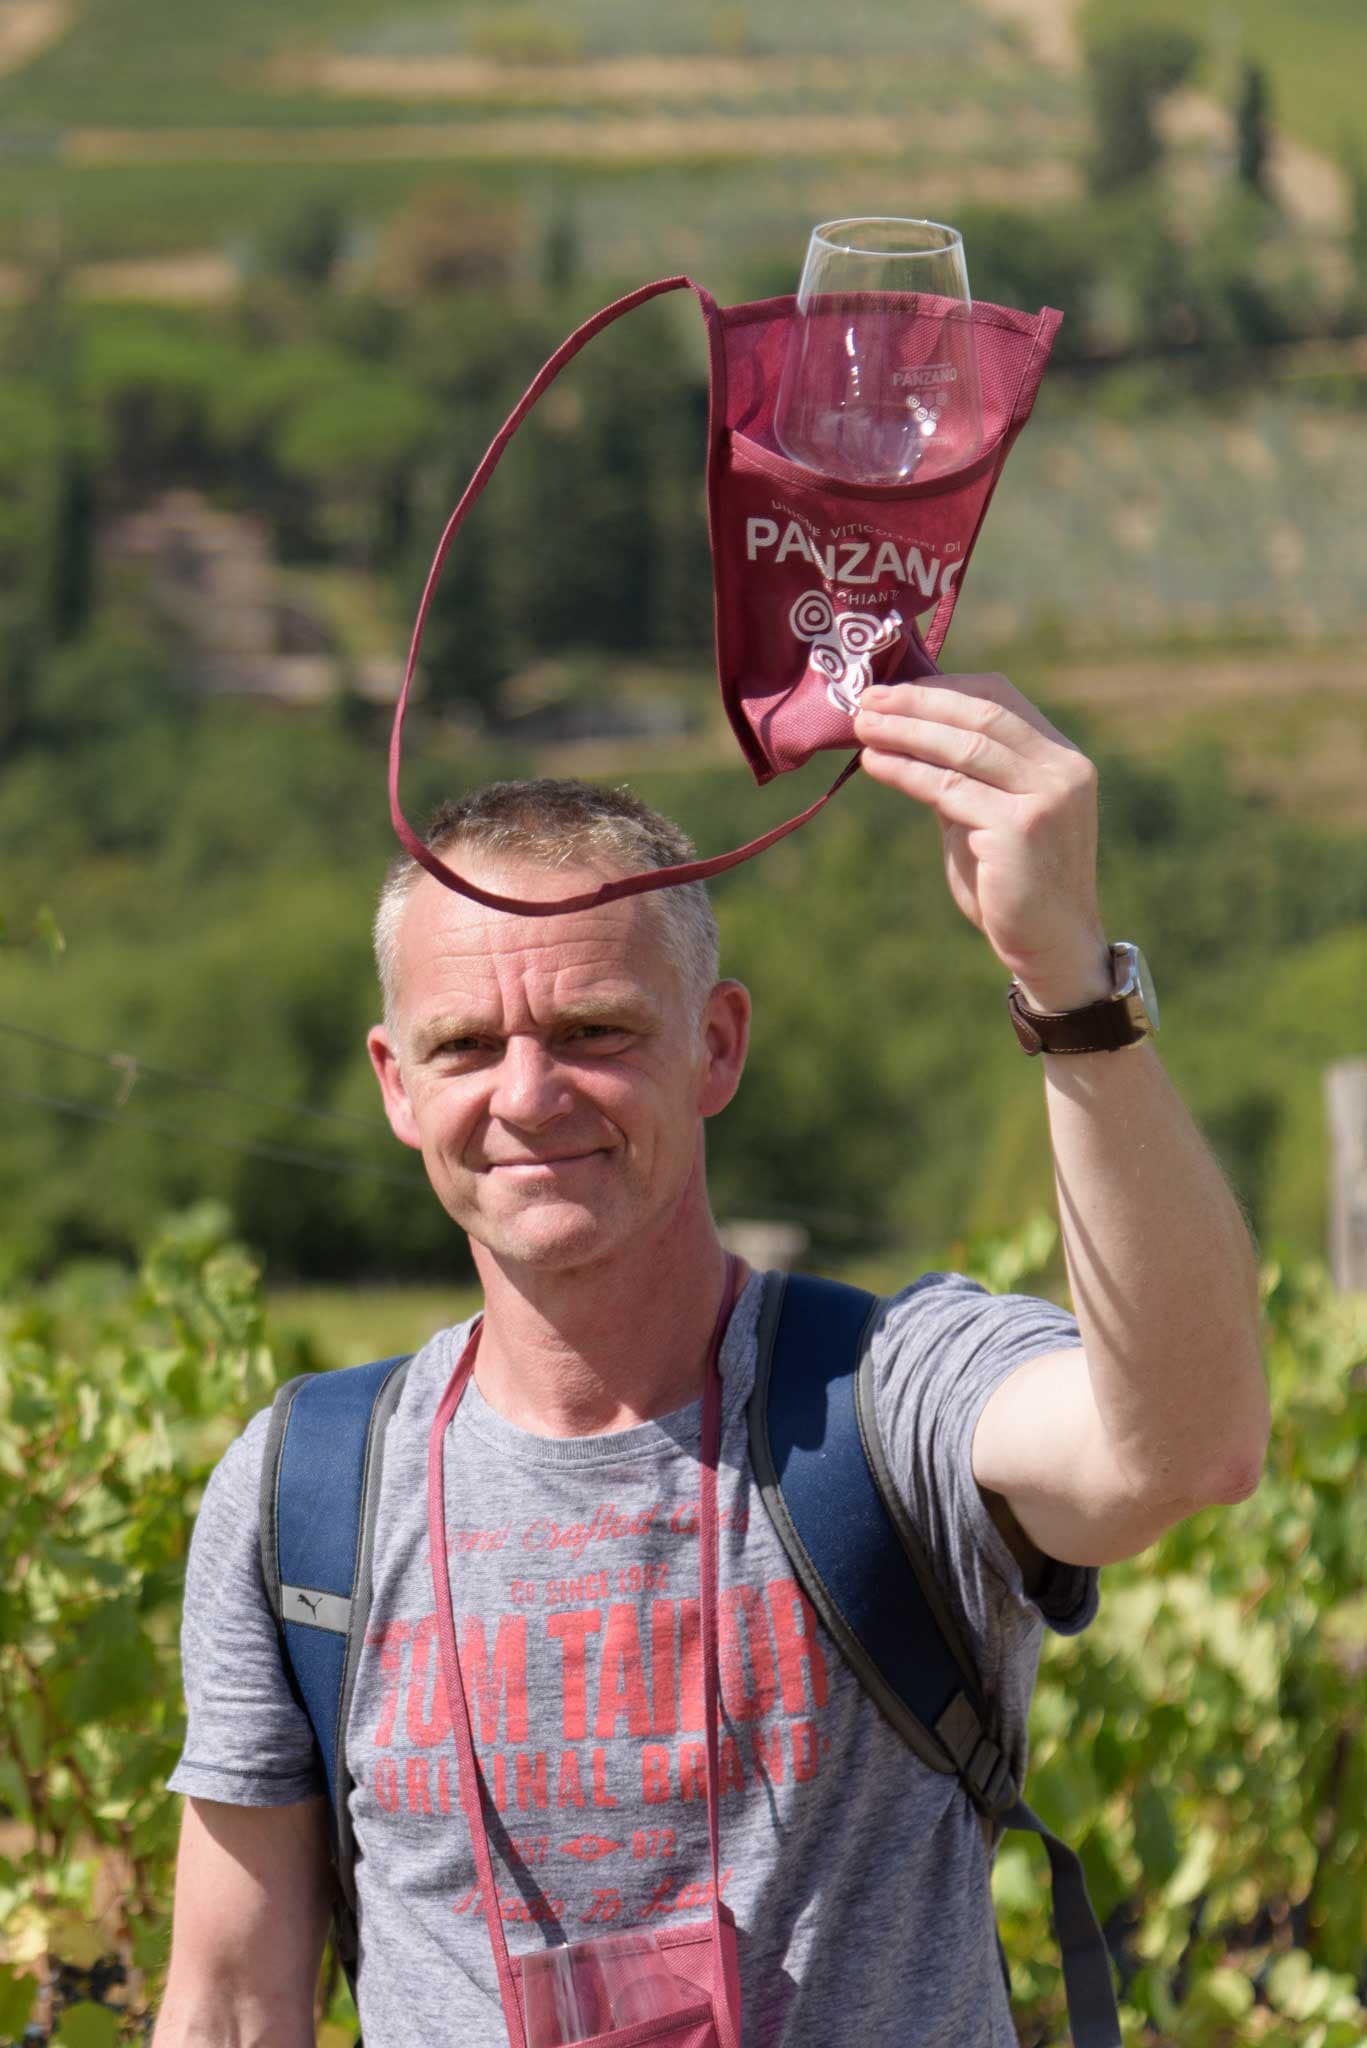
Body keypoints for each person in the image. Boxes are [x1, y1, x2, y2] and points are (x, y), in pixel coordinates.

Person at [154, 672, 1268, 2048]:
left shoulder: (886, 1397)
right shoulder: (305, 1488)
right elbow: (231, 2002)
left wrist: (1070, 984)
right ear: (396, 1083)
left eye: (594, 1031)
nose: (526, 1093)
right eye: (465, 1046)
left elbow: (1188, 1446)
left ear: (717, 1046)